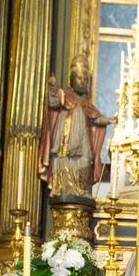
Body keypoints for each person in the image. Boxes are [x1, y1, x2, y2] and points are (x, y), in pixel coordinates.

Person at [38, 54, 115, 197]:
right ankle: (61, 188)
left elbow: (96, 118)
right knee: (64, 160)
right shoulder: (64, 94)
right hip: (65, 137)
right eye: (80, 78)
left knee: (85, 160)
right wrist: (52, 88)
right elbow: (53, 101)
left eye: (85, 79)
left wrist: (110, 120)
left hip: (82, 137)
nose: (83, 82)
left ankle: (82, 190)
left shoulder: (86, 103)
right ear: (72, 79)